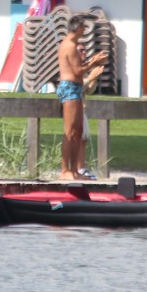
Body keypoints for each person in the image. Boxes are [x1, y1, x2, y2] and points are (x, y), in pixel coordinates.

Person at [57, 14, 108, 180]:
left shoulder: (73, 45)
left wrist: (92, 60)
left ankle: (75, 170)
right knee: (70, 131)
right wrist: (94, 62)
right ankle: (65, 171)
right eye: (83, 28)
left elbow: (79, 68)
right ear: (77, 28)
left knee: (78, 132)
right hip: (69, 88)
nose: (84, 31)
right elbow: (77, 71)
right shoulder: (70, 46)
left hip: (77, 88)